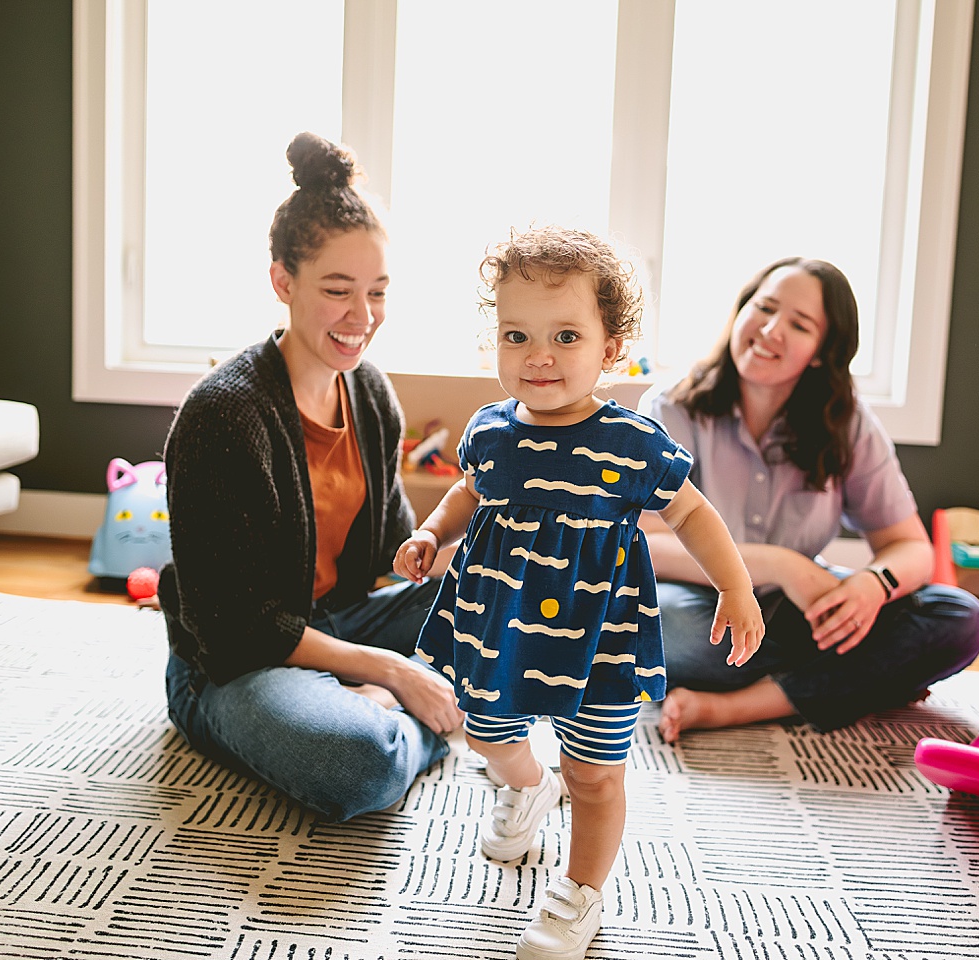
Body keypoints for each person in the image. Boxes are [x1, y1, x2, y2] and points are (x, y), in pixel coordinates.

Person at [393, 226, 764, 960]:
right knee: (486, 733)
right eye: (516, 334)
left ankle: (580, 890)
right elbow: (469, 492)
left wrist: (736, 583)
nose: (539, 356)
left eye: (566, 335)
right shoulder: (490, 430)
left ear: (611, 347)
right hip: (497, 622)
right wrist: (432, 533)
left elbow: (689, 511)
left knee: (594, 774)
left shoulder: (631, 442)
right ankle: (526, 785)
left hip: (599, 638)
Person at [156, 132, 463, 822]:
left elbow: (390, 554)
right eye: (338, 291)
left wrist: (474, 538)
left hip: (337, 623)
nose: (363, 318)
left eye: (378, 292)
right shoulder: (223, 415)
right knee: (357, 763)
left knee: (508, 600)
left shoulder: (372, 395)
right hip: (236, 664)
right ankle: (415, 713)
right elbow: (240, 630)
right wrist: (391, 671)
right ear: (282, 282)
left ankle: (403, 702)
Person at [636, 256, 979, 743]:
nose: (771, 329)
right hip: (699, 602)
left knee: (958, 618)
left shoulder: (848, 423)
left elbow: (912, 548)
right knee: (666, 627)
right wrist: (782, 566)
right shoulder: (670, 407)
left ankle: (735, 707)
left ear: (823, 351)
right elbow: (647, 547)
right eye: (764, 307)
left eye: (799, 324)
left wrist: (871, 587)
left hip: (795, 613)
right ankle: (865, 675)